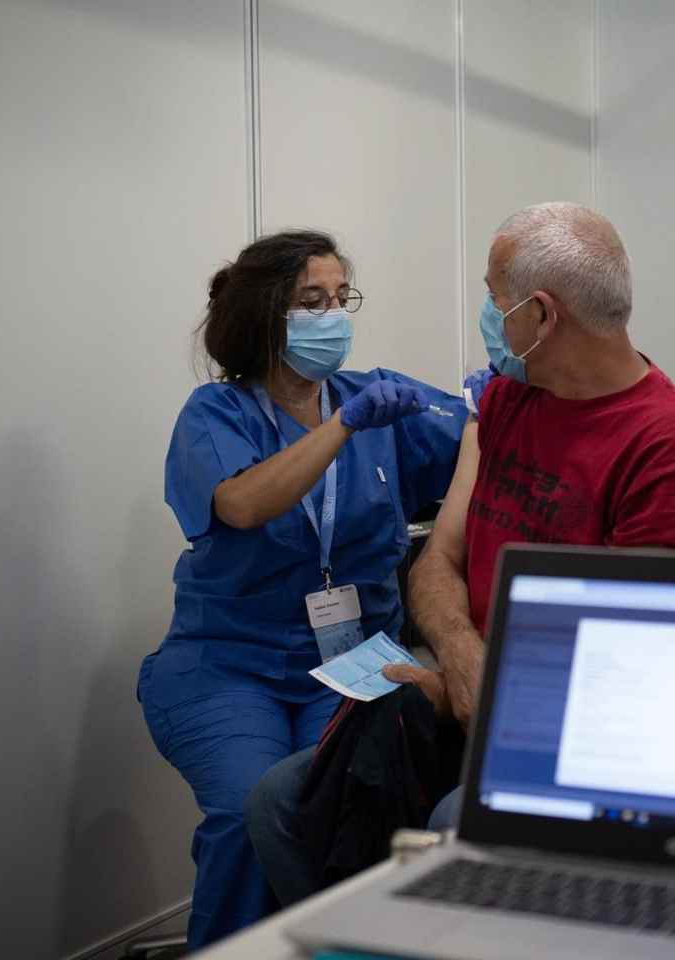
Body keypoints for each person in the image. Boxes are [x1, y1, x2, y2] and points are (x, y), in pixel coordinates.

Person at [246, 201, 675, 903]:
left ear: (540, 316)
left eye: (493, 298)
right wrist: (461, 659)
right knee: (280, 804)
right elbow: (438, 562)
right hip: (468, 694)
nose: (488, 314)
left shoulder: (670, 450)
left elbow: (641, 669)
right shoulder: (510, 404)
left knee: (453, 826)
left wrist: (474, 692)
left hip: (579, 737)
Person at [137, 229, 467, 949]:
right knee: (243, 812)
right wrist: (342, 426)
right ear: (265, 315)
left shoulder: (377, 401)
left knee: (357, 803)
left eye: (339, 297)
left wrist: (495, 403)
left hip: (351, 663)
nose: (332, 315)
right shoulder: (217, 414)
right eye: (309, 302)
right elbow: (245, 504)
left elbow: (478, 446)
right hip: (230, 667)